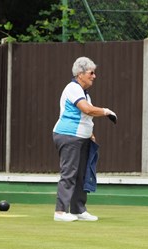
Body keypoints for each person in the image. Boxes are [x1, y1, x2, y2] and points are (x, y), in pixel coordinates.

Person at [52, 56, 117, 222]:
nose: (94, 76)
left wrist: (91, 134)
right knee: (69, 173)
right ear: (80, 74)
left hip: (81, 138)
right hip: (68, 136)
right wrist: (106, 111)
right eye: (91, 73)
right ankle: (60, 212)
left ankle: (78, 209)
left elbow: (85, 118)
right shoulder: (73, 88)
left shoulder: (84, 93)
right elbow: (87, 110)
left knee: (81, 174)